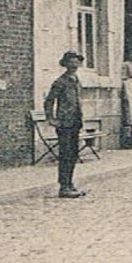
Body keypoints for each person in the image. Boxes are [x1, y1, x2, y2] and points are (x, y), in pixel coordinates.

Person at [44, 50, 87, 198]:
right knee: (65, 154)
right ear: (66, 63)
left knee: (73, 154)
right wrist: (51, 118)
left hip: (75, 121)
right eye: (71, 61)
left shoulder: (76, 80)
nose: (74, 63)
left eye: (77, 61)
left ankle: (70, 183)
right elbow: (49, 100)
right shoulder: (60, 81)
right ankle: (64, 186)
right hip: (64, 122)